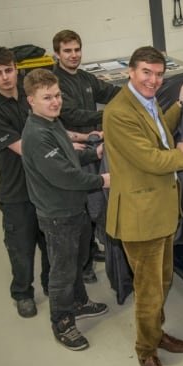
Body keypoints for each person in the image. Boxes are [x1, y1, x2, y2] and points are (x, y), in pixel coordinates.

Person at [103, 46, 183, 366]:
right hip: (140, 216)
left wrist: (180, 106)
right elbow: (151, 159)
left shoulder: (147, 102)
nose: (153, 80)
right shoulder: (118, 111)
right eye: (146, 73)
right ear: (130, 71)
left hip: (161, 210)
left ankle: (156, 333)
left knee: (163, 281)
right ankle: (145, 350)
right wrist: (180, 153)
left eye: (158, 74)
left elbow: (158, 133)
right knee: (149, 290)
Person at [20, 69, 110, 351]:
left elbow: (68, 157)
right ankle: (62, 323)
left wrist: (91, 153)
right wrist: (102, 180)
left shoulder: (52, 123)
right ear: (31, 101)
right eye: (47, 97)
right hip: (58, 214)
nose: (55, 102)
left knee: (78, 258)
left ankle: (79, 302)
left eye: (57, 95)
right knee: (61, 270)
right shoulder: (36, 134)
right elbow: (65, 176)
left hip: (74, 208)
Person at [0, 47, 51, 318]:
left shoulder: (30, 95)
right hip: (16, 191)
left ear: (16, 68)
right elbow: (26, 149)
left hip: (44, 186)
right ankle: (22, 293)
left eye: (8, 70)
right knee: (21, 248)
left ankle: (50, 285)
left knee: (49, 243)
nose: (5, 77)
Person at [52, 29, 121, 283]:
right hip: (72, 152)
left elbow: (108, 91)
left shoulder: (85, 78)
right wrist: (107, 117)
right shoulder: (55, 82)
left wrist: (134, 92)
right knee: (80, 210)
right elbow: (70, 114)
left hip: (94, 149)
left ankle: (91, 250)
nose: (73, 55)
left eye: (77, 49)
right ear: (57, 54)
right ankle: (83, 266)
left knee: (94, 203)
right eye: (67, 51)